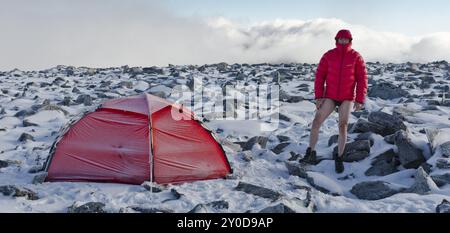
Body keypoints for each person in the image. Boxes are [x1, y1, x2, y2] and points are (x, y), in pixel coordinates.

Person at [300, 29, 368, 174]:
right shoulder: (329, 55)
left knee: (342, 126)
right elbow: (320, 76)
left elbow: (362, 79)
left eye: (346, 39)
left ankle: (339, 157)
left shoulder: (356, 57)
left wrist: (360, 99)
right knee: (316, 121)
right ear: (336, 40)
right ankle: (310, 152)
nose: (343, 41)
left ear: (350, 41)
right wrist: (319, 97)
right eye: (340, 39)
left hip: (347, 98)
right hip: (330, 96)